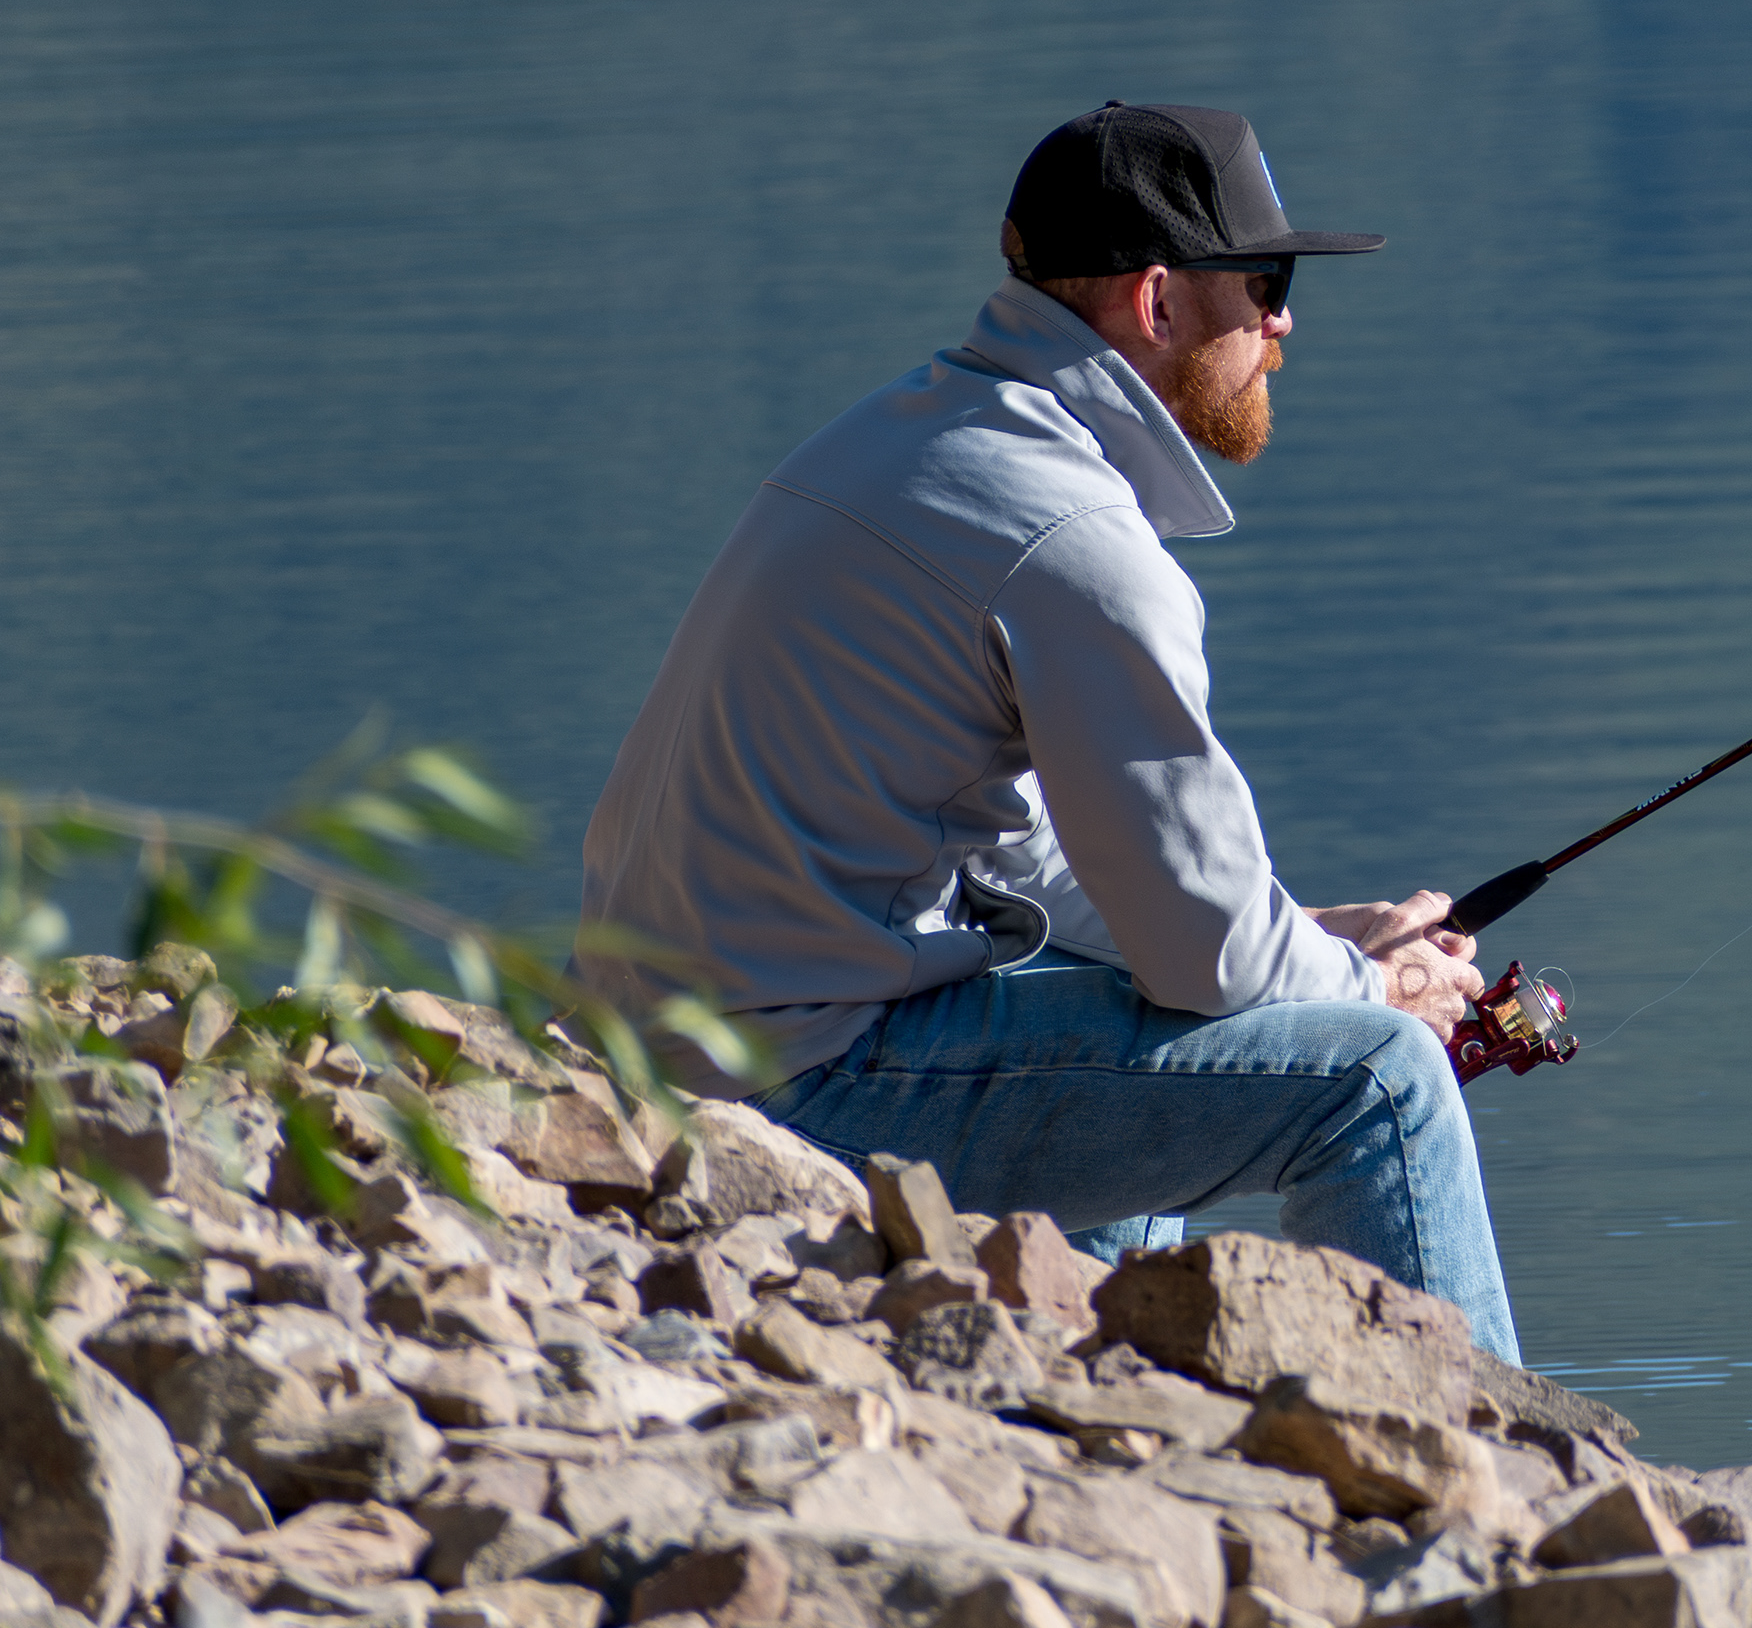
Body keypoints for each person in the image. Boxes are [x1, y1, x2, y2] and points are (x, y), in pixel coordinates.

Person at [577, 101, 1517, 1360]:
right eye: (1267, 281)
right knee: (1380, 1081)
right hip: (795, 1083)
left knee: (1143, 996)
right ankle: (1494, 1491)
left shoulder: (906, 440)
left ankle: (1107, 1393)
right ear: (1158, 302)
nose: (1283, 324)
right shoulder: (1072, 536)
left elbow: (1041, 867)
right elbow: (1207, 961)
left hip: (665, 1037)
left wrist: (1313, 937)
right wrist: (1383, 991)